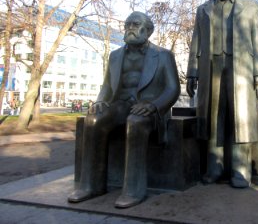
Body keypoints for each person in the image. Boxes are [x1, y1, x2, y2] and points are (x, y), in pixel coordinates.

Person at [68, 11, 180, 208]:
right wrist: (100, 101)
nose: (130, 28)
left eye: (135, 24)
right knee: (94, 119)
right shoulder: (115, 55)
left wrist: (153, 106)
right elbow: (107, 86)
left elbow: (172, 89)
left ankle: (133, 190)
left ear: (149, 30)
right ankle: (91, 185)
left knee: (135, 122)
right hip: (121, 105)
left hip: (149, 110)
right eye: (127, 25)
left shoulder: (163, 55)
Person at [186, 0, 258, 188]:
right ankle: (215, 167)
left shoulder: (251, 7)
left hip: (241, 68)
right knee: (214, 118)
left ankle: (240, 170)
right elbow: (196, 42)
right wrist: (192, 72)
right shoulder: (203, 9)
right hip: (210, 67)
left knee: (240, 118)